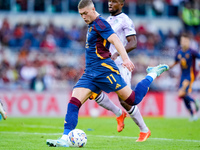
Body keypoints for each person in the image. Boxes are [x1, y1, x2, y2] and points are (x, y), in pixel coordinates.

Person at [46, 0, 169, 147]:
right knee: (73, 103)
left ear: (93, 9)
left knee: (132, 100)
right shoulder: (92, 23)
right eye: (81, 15)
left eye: (85, 13)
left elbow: (116, 39)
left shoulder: (100, 23)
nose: (83, 17)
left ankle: (152, 75)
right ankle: (65, 138)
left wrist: (125, 59)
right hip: (90, 72)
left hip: (105, 70)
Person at [92, 0, 150, 142]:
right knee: (92, 90)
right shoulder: (107, 20)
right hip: (106, 64)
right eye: (109, 1)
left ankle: (144, 129)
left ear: (121, 4)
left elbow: (133, 42)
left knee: (125, 100)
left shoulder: (125, 20)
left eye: (114, 1)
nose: (110, 3)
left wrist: (118, 53)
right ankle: (118, 113)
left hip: (120, 64)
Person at [169, 33, 200, 121]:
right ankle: (193, 115)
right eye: (183, 41)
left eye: (186, 41)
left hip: (190, 76)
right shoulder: (179, 51)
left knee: (181, 93)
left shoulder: (192, 51)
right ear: (180, 41)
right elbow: (175, 62)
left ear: (189, 42)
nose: (184, 42)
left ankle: (194, 101)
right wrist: (168, 67)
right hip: (182, 76)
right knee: (182, 96)